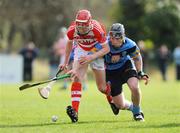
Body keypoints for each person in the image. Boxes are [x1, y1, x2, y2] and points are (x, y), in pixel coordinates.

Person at [38, 9, 110, 123]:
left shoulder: (97, 29)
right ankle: (75, 112)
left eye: (83, 26)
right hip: (81, 49)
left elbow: (107, 48)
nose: (81, 29)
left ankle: (110, 98)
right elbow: (69, 43)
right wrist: (65, 63)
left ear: (89, 23)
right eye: (79, 26)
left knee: (102, 88)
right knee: (76, 77)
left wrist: (91, 57)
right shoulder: (72, 30)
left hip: (97, 49)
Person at [104, 23, 149, 121]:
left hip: (125, 66)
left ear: (122, 36)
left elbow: (137, 58)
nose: (112, 40)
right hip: (110, 72)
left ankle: (137, 113)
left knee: (134, 87)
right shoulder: (104, 43)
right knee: (120, 105)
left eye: (116, 37)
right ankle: (133, 108)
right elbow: (94, 55)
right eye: (111, 36)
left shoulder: (130, 45)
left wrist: (140, 72)